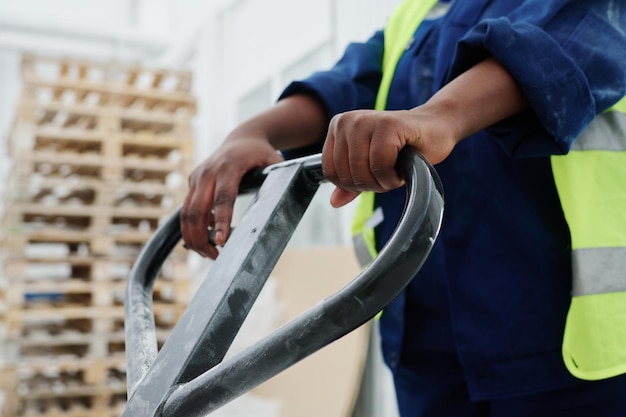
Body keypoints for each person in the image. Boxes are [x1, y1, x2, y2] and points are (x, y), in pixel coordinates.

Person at [181, 1, 626, 416]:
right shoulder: (416, 14)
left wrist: (440, 116)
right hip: (426, 345)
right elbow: (350, 83)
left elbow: (565, 40)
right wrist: (250, 133)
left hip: (565, 349)